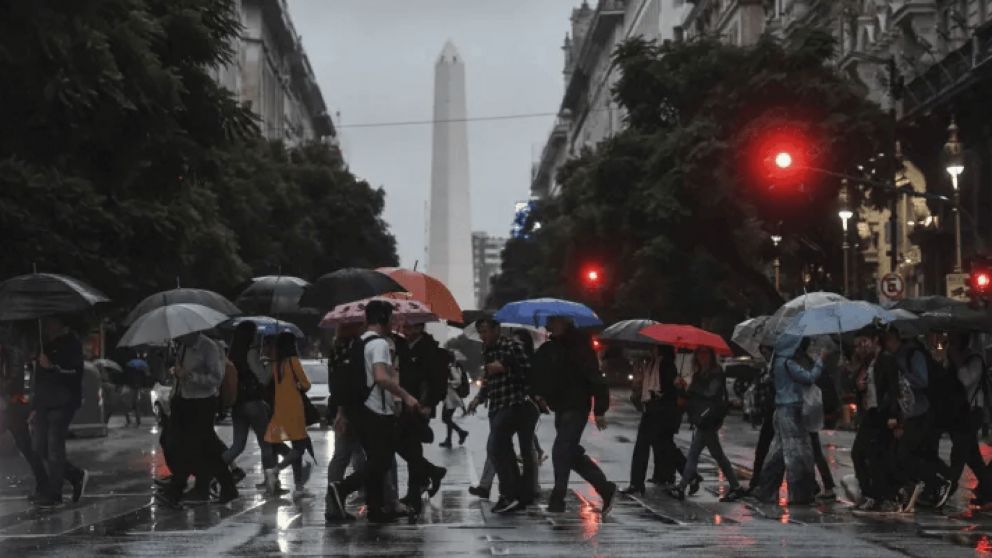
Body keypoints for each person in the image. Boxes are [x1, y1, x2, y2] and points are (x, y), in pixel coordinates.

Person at [325, 300, 430, 524]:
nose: (393, 321)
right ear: (383, 318)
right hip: (376, 409)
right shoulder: (379, 344)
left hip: (358, 409)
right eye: (390, 317)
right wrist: (406, 396)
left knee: (376, 459)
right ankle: (342, 488)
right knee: (381, 461)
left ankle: (375, 509)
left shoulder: (359, 342)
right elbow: (381, 377)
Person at [533, 316, 617, 514]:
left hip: (577, 406)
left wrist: (600, 410)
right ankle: (605, 488)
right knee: (570, 453)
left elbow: (595, 378)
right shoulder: (551, 347)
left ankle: (557, 497)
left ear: (565, 322)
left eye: (553, 322)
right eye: (548, 323)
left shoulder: (580, 346)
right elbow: (542, 374)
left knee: (561, 449)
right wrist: (540, 394)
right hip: (561, 407)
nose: (549, 326)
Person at [467, 317, 539, 513]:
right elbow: (489, 379)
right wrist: (478, 399)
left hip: (513, 403)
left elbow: (527, 370)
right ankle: (514, 495)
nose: (483, 336)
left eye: (486, 331)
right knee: (503, 450)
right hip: (496, 405)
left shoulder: (512, 346)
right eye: (480, 332)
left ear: (497, 330)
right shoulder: (487, 350)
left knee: (497, 447)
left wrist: (506, 367)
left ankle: (509, 494)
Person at [157, 331, 237, 508]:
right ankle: (222, 485)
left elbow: (216, 379)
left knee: (197, 447)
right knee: (175, 443)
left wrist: (189, 376)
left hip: (202, 403)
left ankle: (178, 490)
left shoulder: (208, 347)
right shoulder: (182, 347)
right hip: (183, 401)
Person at [669, 347, 744, 502]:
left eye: (705, 353)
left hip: (709, 418)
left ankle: (681, 487)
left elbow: (710, 393)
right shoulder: (698, 374)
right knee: (715, 455)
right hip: (701, 419)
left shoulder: (716, 373)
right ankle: (736, 487)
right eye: (699, 353)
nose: (702, 356)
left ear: (711, 355)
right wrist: (682, 387)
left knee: (695, 454)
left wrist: (691, 388)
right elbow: (691, 397)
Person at [30, 317, 90, 508]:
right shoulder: (45, 344)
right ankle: (75, 475)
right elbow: (39, 379)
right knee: (40, 448)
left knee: (54, 446)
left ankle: (54, 493)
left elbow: (74, 373)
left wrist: (52, 367)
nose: (48, 326)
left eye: (51, 323)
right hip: (44, 403)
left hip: (62, 402)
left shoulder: (72, 344)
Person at [220, 322, 280, 494]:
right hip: (253, 403)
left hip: (238, 404)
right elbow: (263, 378)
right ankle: (272, 484)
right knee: (266, 444)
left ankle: (213, 471)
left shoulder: (233, 354)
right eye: (255, 332)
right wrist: (271, 363)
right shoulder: (251, 352)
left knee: (238, 445)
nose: (257, 336)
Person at [849, 329, 902, 513]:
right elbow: (860, 387)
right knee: (861, 453)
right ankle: (872, 494)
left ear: (875, 340)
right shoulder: (868, 362)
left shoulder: (886, 359)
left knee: (876, 455)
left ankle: (880, 495)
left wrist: (894, 416)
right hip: (871, 413)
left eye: (864, 342)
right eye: (858, 344)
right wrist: (859, 386)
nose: (861, 347)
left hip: (883, 414)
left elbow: (894, 389)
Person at [397, 322, 447, 506]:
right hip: (404, 402)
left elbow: (437, 381)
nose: (407, 330)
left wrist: (428, 404)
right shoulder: (402, 346)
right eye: (406, 327)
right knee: (408, 446)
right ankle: (430, 474)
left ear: (420, 328)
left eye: (411, 327)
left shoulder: (429, 349)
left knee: (409, 444)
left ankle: (416, 489)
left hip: (419, 405)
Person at [623, 345, 684, 495]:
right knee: (662, 445)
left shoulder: (666, 365)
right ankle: (689, 473)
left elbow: (668, 390)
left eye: (655, 346)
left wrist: (671, 387)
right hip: (652, 409)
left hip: (660, 411)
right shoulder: (651, 364)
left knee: (647, 446)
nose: (651, 348)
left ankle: (637, 483)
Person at [0, 326, 48, 500]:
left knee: (26, 447)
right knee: (26, 447)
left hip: (13, 407)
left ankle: (49, 482)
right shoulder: (11, 354)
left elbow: (15, 378)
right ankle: (47, 483)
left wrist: (19, 399)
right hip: (8, 406)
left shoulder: (13, 356)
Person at [264, 332, 314, 498]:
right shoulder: (293, 361)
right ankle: (276, 470)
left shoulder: (277, 364)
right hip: (294, 410)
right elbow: (306, 385)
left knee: (296, 447)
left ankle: (299, 488)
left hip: (280, 409)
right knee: (299, 448)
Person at [439, 350, 468, 448]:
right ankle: (449, 440)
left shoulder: (451, 367)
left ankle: (461, 433)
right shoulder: (451, 366)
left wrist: (448, 382)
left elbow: (458, 381)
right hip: (449, 398)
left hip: (452, 398)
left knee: (445, 418)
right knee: (447, 419)